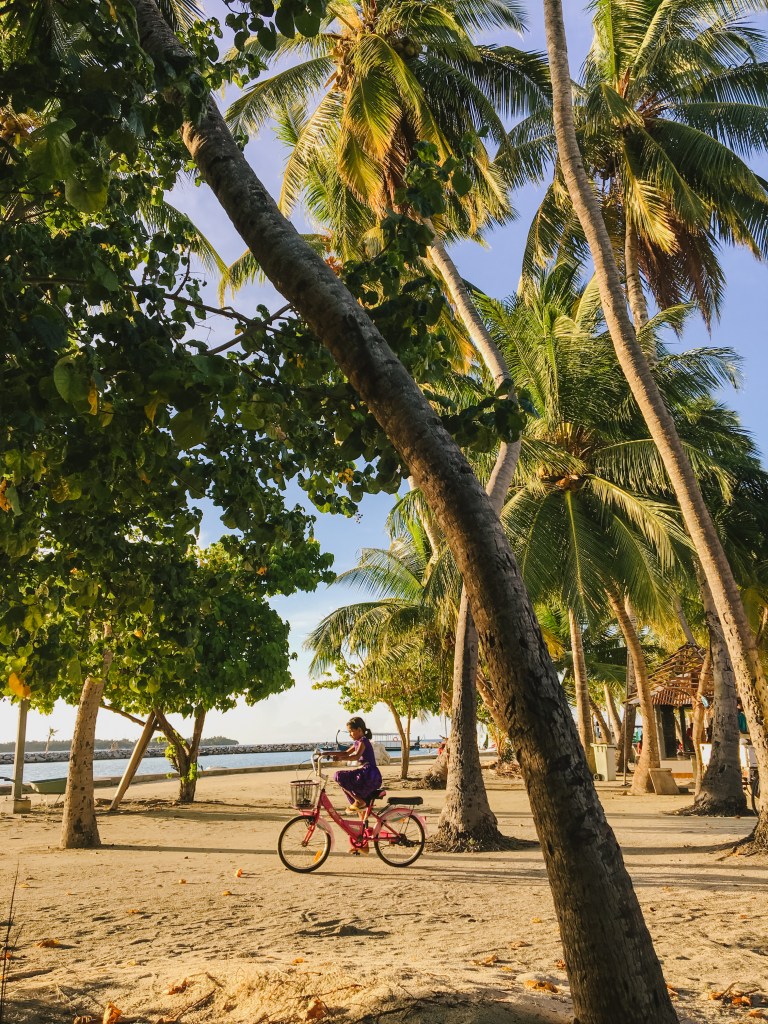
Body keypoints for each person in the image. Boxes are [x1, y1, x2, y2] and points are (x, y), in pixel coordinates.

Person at [327, 717, 382, 813]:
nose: (350, 734)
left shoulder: (363, 741)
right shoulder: (357, 742)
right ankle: (359, 807)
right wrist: (326, 753)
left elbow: (356, 756)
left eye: (351, 731)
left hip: (369, 774)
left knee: (339, 776)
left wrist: (340, 758)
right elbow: (345, 753)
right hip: (366, 773)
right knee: (344, 784)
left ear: (359, 730)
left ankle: (359, 801)